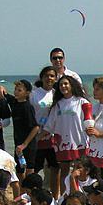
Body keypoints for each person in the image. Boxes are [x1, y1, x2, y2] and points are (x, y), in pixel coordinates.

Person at [42, 75, 90, 193]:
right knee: (64, 171)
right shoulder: (58, 105)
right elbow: (49, 125)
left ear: (72, 85)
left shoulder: (82, 102)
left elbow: (89, 122)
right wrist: (37, 137)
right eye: (61, 85)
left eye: (66, 84)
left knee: (81, 170)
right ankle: (64, 196)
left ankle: (82, 194)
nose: (63, 86)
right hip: (62, 143)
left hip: (80, 141)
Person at [30, 66, 60, 197]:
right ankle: (33, 194)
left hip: (53, 138)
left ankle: (55, 196)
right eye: (47, 75)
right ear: (42, 78)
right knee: (35, 168)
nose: (49, 78)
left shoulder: (57, 94)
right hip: (38, 137)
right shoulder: (34, 94)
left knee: (55, 168)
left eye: (52, 76)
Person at [3, 79, 39, 180]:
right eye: (15, 89)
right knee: (19, 169)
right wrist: (1, 89)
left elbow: (36, 127)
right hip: (17, 144)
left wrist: (25, 144)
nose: (16, 92)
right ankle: (22, 193)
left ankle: (29, 192)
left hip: (29, 144)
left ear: (27, 93)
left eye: (19, 90)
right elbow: (4, 93)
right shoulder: (14, 103)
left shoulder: (28, 107)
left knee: (29, 171)